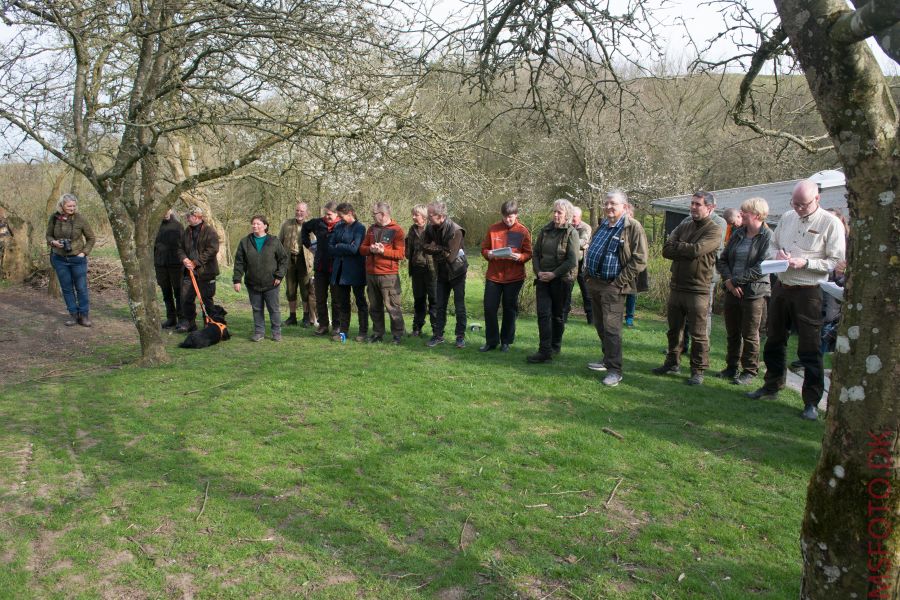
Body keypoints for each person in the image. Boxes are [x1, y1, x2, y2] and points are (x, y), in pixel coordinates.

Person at [747, 180, 846, 420]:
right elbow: (772, 245)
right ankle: (771, 385)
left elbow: (836, 261)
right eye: (795, 202)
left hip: (809, 291)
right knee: (774, 339)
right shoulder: (788, 217)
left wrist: (806, 262)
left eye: (803, 204)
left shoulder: (830, 223)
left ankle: (811, 401)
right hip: (782, 286)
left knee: (809, 347)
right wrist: (777, 255)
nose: (799, 207)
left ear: (817, 199)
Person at [652, 191, 722, 385]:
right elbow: (666, 250)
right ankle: (672, 362)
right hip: (677, 286)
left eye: (697, 204)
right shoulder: (684, 225)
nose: (693, 207)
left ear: (710, 207)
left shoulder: (714, 230)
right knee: (674, 329)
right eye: (692, 203)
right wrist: (686, 248)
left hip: (698, 288)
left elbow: (697, 250)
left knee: (699, 333)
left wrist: (680, 247)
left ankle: (698, 370)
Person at [582, 190, 649, 385]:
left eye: (613, 204)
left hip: (614, 287)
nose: (609, 207)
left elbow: (640, 259)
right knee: (601, 325)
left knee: (612, 329)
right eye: (606, 203)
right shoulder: (603, 224)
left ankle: (615, 370)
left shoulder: (633, 227)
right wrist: (587, 275)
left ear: (624, 207)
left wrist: (618, 283)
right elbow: (593, 247)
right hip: (595, 283)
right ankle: (606, 359)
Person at [715, 197, 772, 386]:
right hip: (732, 290)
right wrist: (729, 282)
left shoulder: (767, 236)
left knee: (750, 333)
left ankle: (749, 370)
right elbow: (722, 260)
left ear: (756, 214)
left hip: (754, 292)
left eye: (744, 212)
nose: (740, 215)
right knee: (732, 332)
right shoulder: (738, 233)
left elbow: (762, 267)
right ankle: (731, 367)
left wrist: (735, 281)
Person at [527, 199, 580, 363]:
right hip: (543, 279)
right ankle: (544, 351)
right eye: (554, 211)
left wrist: (554, 274)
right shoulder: (545, 230)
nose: (556, 215)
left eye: (559, 212)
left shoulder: (572, 233)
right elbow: (535, 253)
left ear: (567, 215)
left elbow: (572, 261)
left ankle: (555, 345)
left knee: (557, 316)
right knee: (543, 314)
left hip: (562, 280)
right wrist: (539, 272)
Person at [479, 200, 532, 352]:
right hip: (494, 276)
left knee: (509, 309)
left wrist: (520, 257)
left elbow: (529, 253)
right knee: (489, 308)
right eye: (505, 216)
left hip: (514, 277)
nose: (508, 219)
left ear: (516, 215)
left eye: (511, 216)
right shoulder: (493, 229)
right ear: (501, 215)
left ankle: (506, 342)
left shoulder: (523, 231)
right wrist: (488, 254)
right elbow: (484, 249)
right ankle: (491, 341)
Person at [232, 216, 288, 341]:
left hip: (272, 282)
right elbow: (239, 262)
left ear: (265, 226)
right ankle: (259, 332)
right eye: (253, 224)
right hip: (252, 282)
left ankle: (276, 332)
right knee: (257, 309)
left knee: (274, 309)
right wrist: (237, 280)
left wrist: (279, 275)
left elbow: (283, 259)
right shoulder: (245, 242)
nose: (254, 226)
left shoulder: (274, 241)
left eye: (258, 224)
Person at [423, 200, 468, 348]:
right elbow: (423, 246)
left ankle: (460, 337)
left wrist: (435, 247)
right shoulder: (430, 228)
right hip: (441, 271)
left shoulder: (456, 230)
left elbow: (450, 256)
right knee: (439, 305)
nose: (427, 217)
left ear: (440, 215)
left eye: (430, 214)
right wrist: (439, 248)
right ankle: (438, 335)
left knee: (459, 305)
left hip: (457, 271)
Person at [46, 193, 96, 326]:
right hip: (59, 258)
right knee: (67, 288)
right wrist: (54, 243)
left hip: (77, 258)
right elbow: (48, 236)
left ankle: (84, 316)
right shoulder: (55, 218)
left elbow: (91, 238)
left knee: (81, 288)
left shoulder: (80, 219)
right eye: (69, 206)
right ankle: (73, 315)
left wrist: (84, 253)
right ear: (62, 205)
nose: (72, 208)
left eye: (74, 205)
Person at [360, 202, 406, 343]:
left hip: (388, 275)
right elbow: (362, 248)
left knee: (392, 306)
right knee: (374, 306)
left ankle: (397, 335)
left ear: (383, 214)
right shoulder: (371, 229)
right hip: (371, 274)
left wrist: (383, 251)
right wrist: (371, 249)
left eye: (374, 214)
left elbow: (400, 254)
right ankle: (377, 333)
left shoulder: (397, 230)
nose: (372, 216)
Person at [328, 202, 368, 342]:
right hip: (340, 270)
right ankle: (343, 332)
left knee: (360, 301)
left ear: (350, 213)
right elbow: (330, 247)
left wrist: (339, 245)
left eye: (341, 215)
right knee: (343, 303)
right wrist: (343, 246)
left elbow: (355, 249)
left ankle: (363, 332)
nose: (339, 218)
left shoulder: (360, 228)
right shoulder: (338, 226)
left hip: (356, 270)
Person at [176, 206, 220, 333]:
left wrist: (195, 263)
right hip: (188, 272)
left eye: (188, 216)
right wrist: (184, 259)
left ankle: (209, 323)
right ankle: (189, 323)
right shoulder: (186, 231)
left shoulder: (210, 231)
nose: (187, 219)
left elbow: (212, 250)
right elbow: (180, 248)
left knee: (206, 299)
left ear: (196, 217)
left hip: (206, 272)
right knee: (186, 298)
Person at [302, 201, 340, 336]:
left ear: (337, 214)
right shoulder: (318, 223)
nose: (326, 216)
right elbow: (305, 228)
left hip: (336, 268)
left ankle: (336, 326)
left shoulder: (342, 225)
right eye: (325, 213)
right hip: (320, 267)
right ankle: (323, 325)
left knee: (337, 299)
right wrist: (309, 246)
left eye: (329, 214)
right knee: (320, 298)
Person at [278, 201, 317, 327]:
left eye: (301, 211)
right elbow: (279, 242)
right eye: (297, 210)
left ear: (306, 213)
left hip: (305, 261)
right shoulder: (286, 224)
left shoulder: (312, 226)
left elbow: (317, 245)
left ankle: (306, 317)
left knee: (305, 290)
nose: (299, 213)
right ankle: (292, 316)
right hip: (289, 260)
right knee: (290, 290)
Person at [405, 204, 436, 337]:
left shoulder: (433, 229)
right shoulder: (412, 230)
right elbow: (408, 249)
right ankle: (417, 328)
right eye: (413, 214)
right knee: (419, 300)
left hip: (432, 270)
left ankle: (437, 330)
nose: (413, 217)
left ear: (424, 216)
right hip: (416, 269)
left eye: (415, 215)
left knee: (434, 300)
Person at [154, 209, 184, 328]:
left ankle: (182, 318)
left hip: (176, 265)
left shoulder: (178, 226)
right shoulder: (155, 226)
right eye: (163, 210)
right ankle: (171, 318)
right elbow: (152, 246)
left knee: (179, 293)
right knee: (166, 293)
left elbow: (183, 245)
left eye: (167, 210)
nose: (165, 212)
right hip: (160, 264)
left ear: (171, 211)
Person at [563, 206, 593, 325]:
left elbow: (583, 241)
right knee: (566, 290)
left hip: (582, 264)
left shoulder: (586, 227)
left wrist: (569, 243)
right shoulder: (566, 226)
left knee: (586, 291)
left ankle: (591, 319)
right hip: (569, 264)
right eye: (570, 216)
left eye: (574, 216)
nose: (572, 219)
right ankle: (563, 317)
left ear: (579, 217)